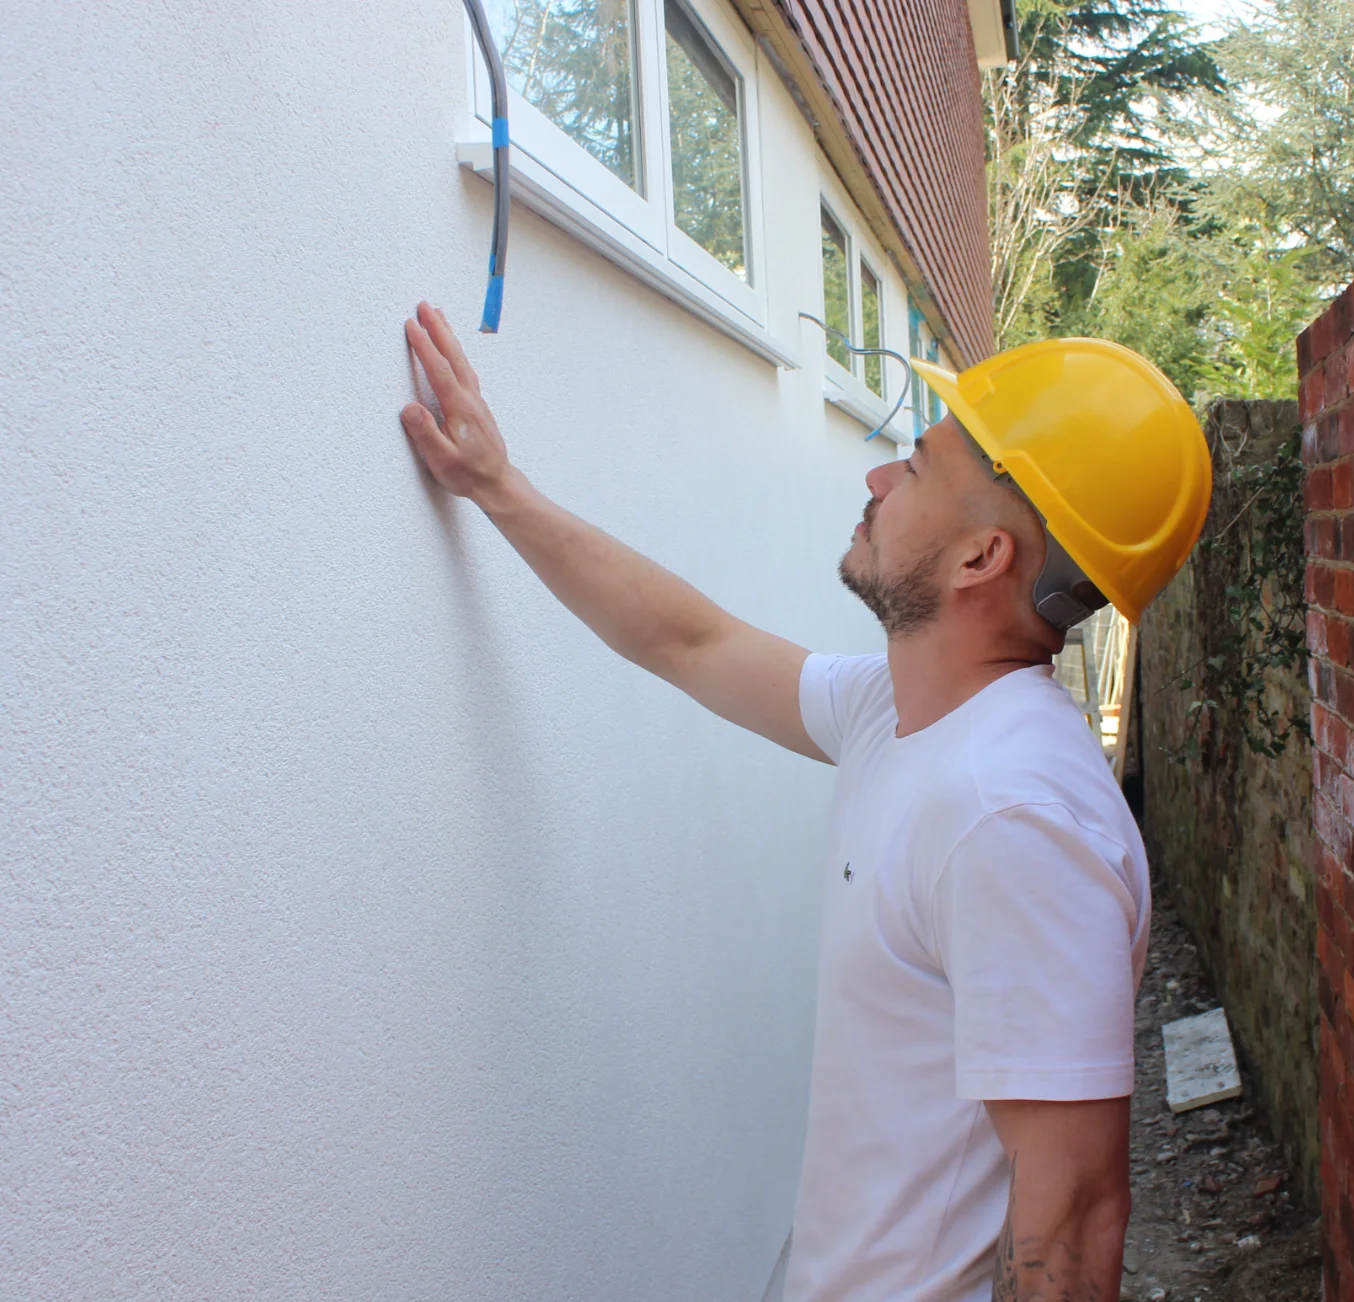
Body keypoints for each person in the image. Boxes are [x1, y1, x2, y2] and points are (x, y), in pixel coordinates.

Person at [397, 302, 1212, 1302]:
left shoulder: (1011, 816)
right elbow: (688, 642)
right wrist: (498, 487)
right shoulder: (900, 711)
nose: (875, 477)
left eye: (914, 468)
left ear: (980, 558)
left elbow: (1075, 1219)